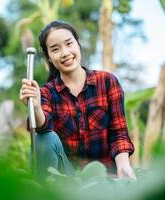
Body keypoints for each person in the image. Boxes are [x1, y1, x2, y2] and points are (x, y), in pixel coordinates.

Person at [19, 20, 136, 180]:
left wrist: (123, 166)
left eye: (69, 44)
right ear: (48, 57)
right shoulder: (46, 92)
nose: (65, 53)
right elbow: (42, 130)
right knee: (43, 137)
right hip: (67, 179)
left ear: (78, 44)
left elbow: (119, 133)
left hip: (106, 179)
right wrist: (36, 106)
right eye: (55, 49)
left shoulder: (107, 81)